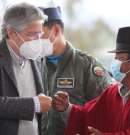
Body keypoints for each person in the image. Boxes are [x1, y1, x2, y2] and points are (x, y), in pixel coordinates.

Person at [53, 26, 130, 135]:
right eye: (115, 58)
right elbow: (89, 115)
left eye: (120, 58)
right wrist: (67, 107)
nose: (115, 63)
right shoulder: (114, 92)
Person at [0, 3, 52, 135]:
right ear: (12, 33)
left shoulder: (36, 58)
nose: (38, 41)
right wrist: (34, 104)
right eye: (32, 34)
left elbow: (40, 105)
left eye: (39, 34)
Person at [39, 6, 113, 135]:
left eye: (38, 34)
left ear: (55, 30)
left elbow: (106, 112)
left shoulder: (86, 66)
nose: (33, 40)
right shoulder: (33, 65)